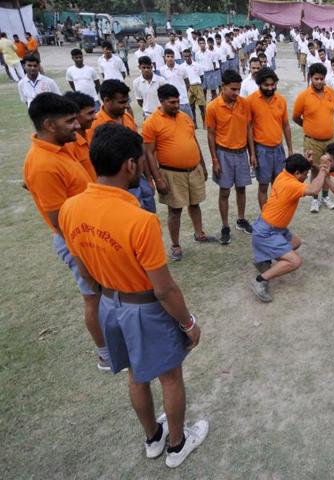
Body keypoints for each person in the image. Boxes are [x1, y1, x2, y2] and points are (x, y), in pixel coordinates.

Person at [58, 123, 208, 468]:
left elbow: (83, 270)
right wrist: (188, 323)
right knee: (170, 375)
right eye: (141, 161)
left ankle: (152, 439)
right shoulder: (140, 221)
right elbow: (164, 288)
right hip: (145, 310)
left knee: (135, 373)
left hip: (110, 305)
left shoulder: (70, 209)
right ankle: (177, 444)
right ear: (129, 164)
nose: (143, 166)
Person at [22, 93, 107, 371]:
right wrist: (83, 262)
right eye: (70, 121)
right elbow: (61, 223)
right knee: (92, 297)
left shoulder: (59, 148)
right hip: (79, 243)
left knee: (105, 295)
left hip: (92, 234)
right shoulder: (43, 164)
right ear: (49, 124)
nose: (76, 125)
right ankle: (105, 354)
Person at [143, 84, 216, 260]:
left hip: (193, 170)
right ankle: (175, 245)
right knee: (175, 210)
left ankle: (199, 234)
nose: (177, 105)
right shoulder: (151, 123)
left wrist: (203, 166)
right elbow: (148, 154)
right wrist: (157, 178)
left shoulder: (185, 117)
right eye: (172, 102)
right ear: (161, 101)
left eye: (178, 101)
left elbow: (195, 142)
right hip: (171, 173)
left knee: (195, 203)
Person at [249, 153, 329, 302]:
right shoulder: (292, 184)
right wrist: (323, 171)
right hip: (266, 232)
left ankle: (263, 260)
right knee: (295, 262)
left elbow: (300, 172)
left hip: (272, 228)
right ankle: (260, 280)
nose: (306, 177)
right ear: (297, 173)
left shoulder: (284, 174)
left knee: (295, 243)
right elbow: (314, 190)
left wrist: (306, 162)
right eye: (305, 174)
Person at [88, 79, 156, 213]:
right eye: (121, 102)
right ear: (107, 101)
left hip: (139, 178)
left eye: (127, 102)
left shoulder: (127, 117)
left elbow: (140, 148)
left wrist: (149, 178)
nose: (126, 106)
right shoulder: (95, 125)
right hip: (121, 184)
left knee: (149, 214)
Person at [206, 69, 254, 244]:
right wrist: (215, 160)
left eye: (238, 90)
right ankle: (225, 226)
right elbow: (210, 135)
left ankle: (241, 219)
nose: (236, 93)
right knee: (224, 191)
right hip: (223, 154)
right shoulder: (212, 107)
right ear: (223, 86)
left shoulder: (244, 104)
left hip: (241, 153)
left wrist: (252, 154)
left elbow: (249, 129)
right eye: (233, 89)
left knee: (241, 188)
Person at [293, 62, 334, 213]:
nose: (319, 82)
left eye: (322, 79)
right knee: (314, 169)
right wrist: (309, 127)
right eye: (316, 79)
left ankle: (326, 196)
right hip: (312, 141)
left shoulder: (332, 93)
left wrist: (330, 128)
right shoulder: (304, 96)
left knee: (328, 169)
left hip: (330, 141)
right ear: (310, 78)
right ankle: (315, 198)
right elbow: (295, 117)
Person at [247, 67, 293, 209]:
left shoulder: (281, 100)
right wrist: (253, 154)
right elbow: (248, 128)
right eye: (266, 85)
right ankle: (266, 218)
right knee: (263, 186)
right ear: (259, 84)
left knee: (278, 185)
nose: (270, 87)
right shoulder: (251, 101)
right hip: (261, 150)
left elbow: (286, 126)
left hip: (278, 149)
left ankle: (275, 215)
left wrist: (290, 150)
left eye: (273, 84)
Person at [63, 91, 98, 181]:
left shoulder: (89, 135)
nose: (95, 117)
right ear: (74, 115)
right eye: (90, 113)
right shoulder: (68, 145)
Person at [159, 49, 192, 118]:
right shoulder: (161, 70)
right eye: (168, 56)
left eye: (172, 56)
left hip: (182, 100)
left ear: (174, 57)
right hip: (169, 100)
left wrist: (184, 94)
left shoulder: (181, 68)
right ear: (164, 58)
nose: (170, 58)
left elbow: (187, 83)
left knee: (187, 119)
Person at [182, 49, 206, 128]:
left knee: (202, 106)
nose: (187, 58)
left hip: (197, 85)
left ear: (191, 56)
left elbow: (201, 76)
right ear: (183, 57)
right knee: (191, 107)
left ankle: (204, 123)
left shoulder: (197, 65)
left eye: (188, 56)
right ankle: (194, 123)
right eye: (185, 56)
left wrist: (199, 85)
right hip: (189, 87)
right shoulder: (182, 67)